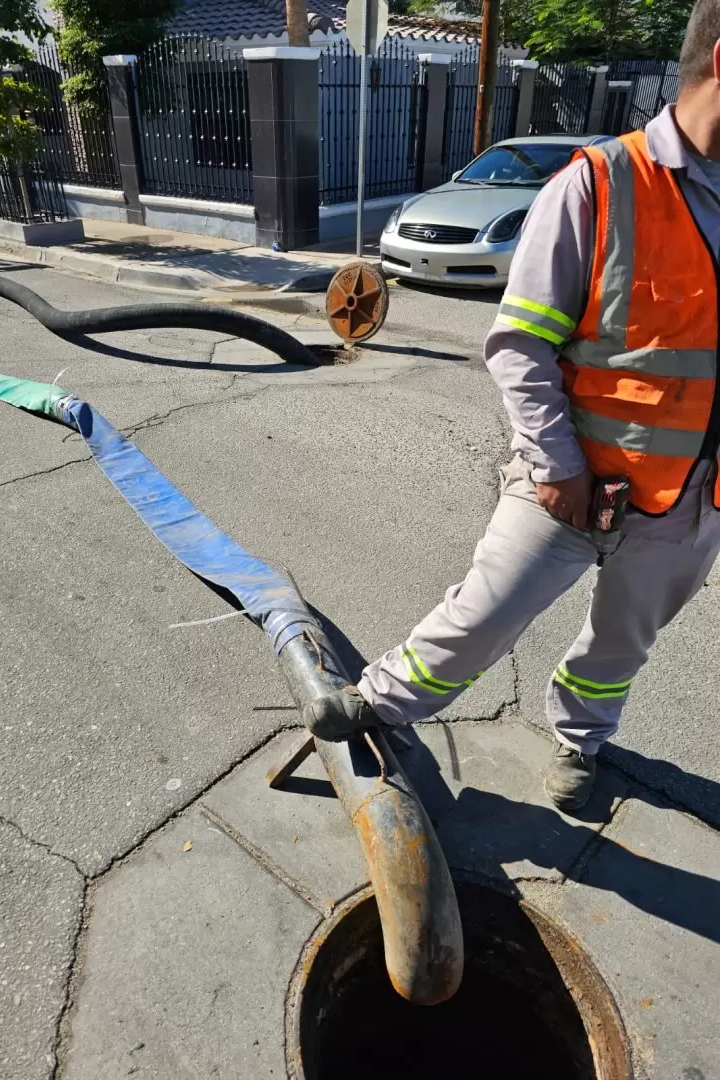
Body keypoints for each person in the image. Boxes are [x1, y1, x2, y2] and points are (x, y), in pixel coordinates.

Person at [303, 0, 720, 812]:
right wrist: (559, 468)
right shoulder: (601, 184)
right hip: (570, 485)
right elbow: (520, 344)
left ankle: (579, 743)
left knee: (623, 642)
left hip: (690, 502)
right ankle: (378, 703)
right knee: (480, 619)